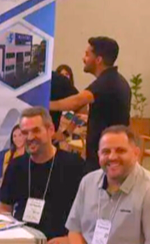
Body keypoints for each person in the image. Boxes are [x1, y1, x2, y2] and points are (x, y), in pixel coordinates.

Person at [0, 107, 84, 244]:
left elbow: (90, 213)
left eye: (36, 131)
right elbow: (4, 209)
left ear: (50, 130)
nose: (30, 137)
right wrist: (10, 236)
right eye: (25, 132)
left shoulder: (74, 165)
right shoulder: (16, 166)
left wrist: (71, 239)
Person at [50, 37, 131, 173]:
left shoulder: (106, 82)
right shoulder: (116, 80)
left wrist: (44, 104)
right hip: (109, 153)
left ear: (98, 60)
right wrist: (66, 132)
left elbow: (77, 102)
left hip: (107, 156)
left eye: (87, 55)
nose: (83, 59)